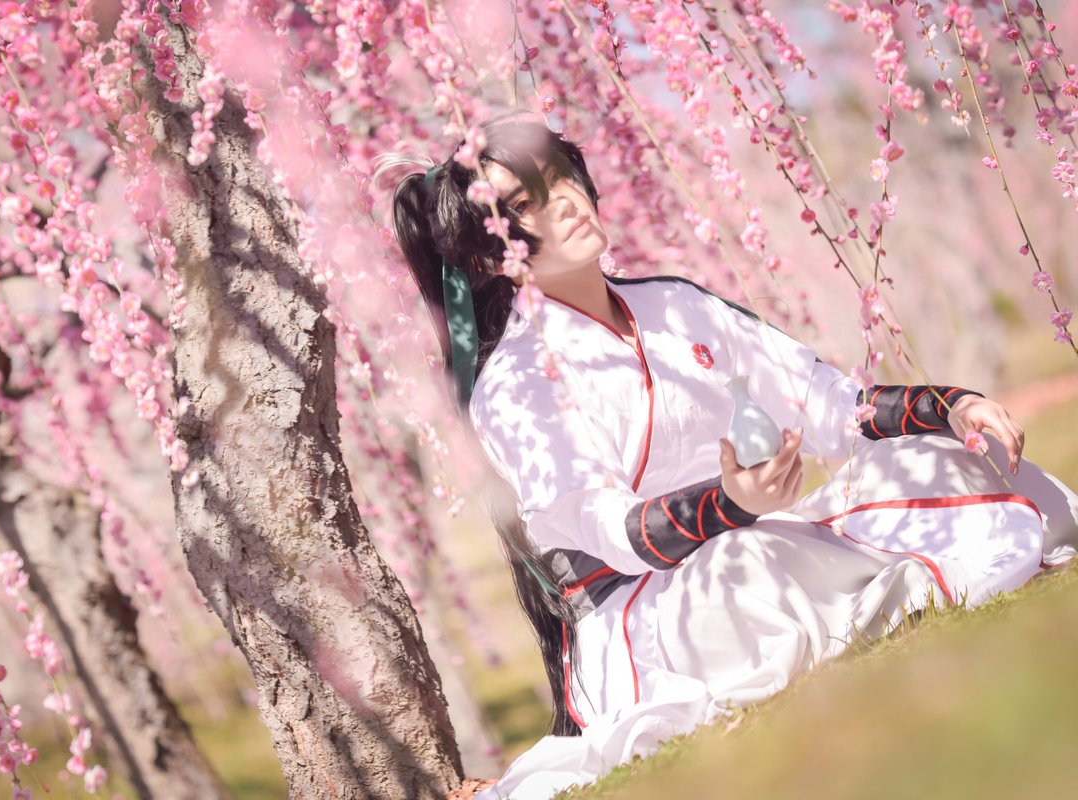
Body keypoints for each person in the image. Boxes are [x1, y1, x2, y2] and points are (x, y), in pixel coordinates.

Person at [381, 113, 1078, 799]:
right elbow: (614, 532)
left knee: (938, 457)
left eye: (562, 176)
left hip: (762, 538)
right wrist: (731, 503)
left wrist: (949, 406)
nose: (564, 201)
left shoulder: (675, 304)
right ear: (488, 253)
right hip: (648, 612)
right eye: (524, 204)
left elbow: (830, 404)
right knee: (747, 565)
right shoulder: (515, 384)